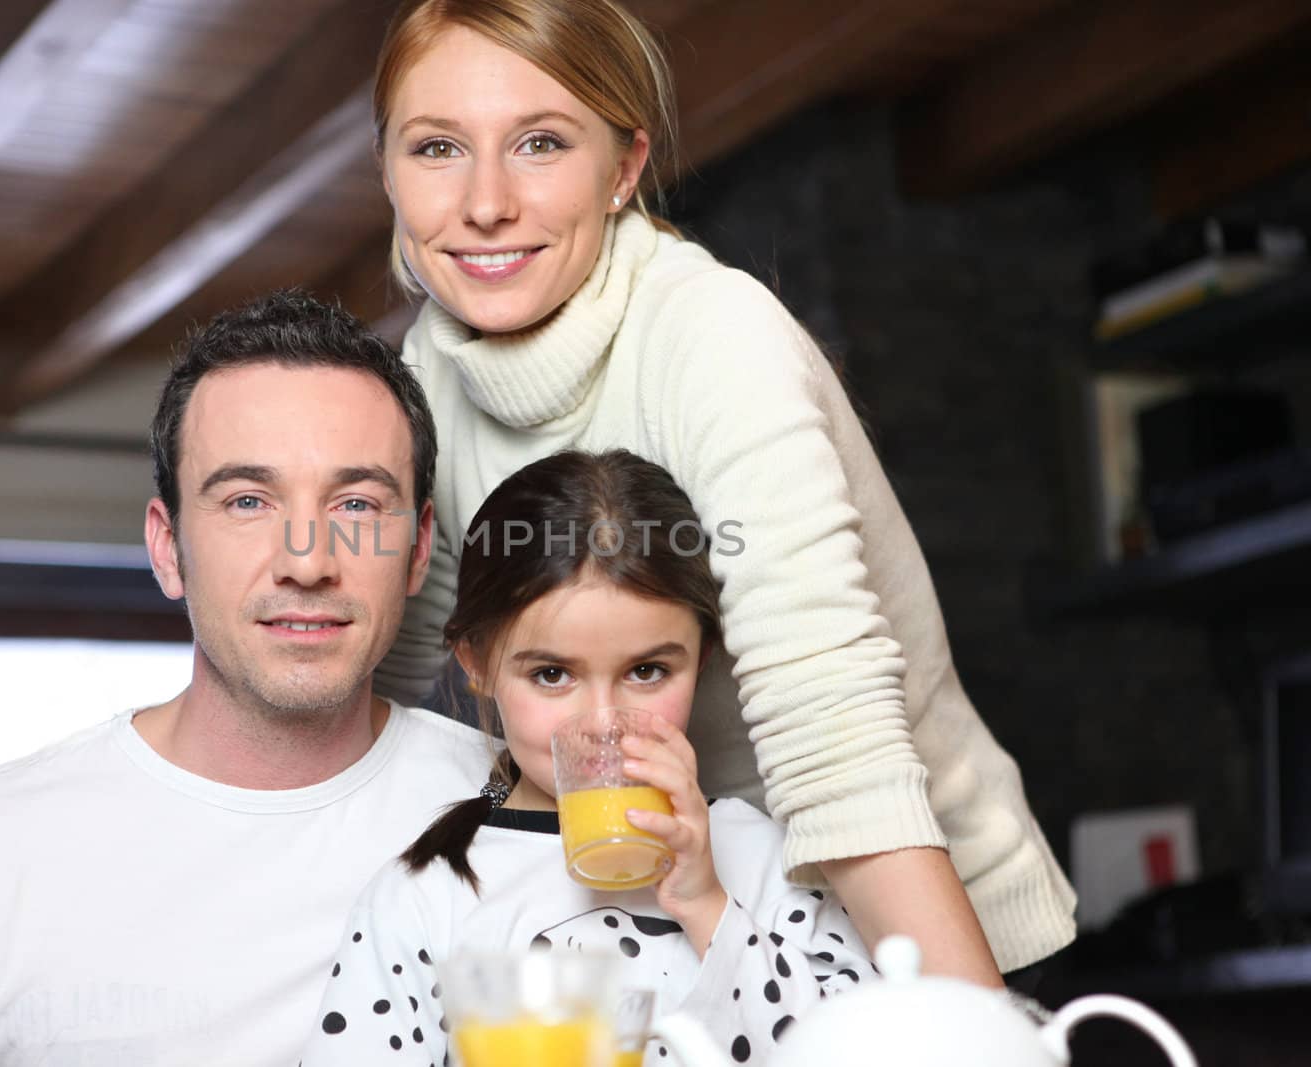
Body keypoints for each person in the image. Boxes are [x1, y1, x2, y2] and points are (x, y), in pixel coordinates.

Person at [368, 0, 1077, 982]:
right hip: (668, 932)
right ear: (388, 171)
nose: (485, 201)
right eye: (437, 147)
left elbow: (835, 734)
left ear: (622, 168)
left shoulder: (714, 343)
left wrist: (960, 1027)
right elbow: (400, 697)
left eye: (539, 142)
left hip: (884, 920)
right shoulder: (427, 377)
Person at [0, 291, 490, 1066]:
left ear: (417, 551)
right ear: (168, 548)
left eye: (358, 503)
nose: (308, 560)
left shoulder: (528, 812)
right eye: (247, 500)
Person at [302, 450, 875, 1067]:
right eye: (552, 674)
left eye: (648, 670)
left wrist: (707, 903)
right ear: (476, 664)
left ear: (702, 657)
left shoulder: (757, 859)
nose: (603, 725)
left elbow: (862, 1049)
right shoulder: (425, 897)